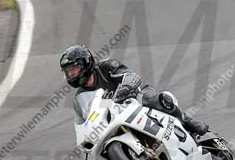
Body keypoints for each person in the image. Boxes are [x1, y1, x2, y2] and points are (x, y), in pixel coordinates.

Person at [60, 45, 209, 137]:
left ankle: (188, 122)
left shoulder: (106, 67)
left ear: (85, 64)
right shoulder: (81, 97)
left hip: (135, 95)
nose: (72, 74)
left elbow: (130, 75)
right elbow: (87, 120)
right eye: (68, 72)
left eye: (74, 69)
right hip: (116, 115)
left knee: (153, 99)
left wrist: (125, 87)